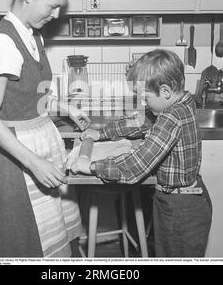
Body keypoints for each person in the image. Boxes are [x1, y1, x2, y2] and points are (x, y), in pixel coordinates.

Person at [0, 0, 90, 258]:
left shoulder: (33, 35)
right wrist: (35, 164)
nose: (55, 15)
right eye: (52, 6)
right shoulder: (2, 42)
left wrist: (66, 108)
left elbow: (33, 97)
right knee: (27, 244)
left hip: (42, 145)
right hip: (19, 160)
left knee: (56, 241)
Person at [71, 49, 213, 257]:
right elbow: (138, 123)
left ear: (165, 91)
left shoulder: (171, 118)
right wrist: (100, 133)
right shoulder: (182, 102)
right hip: (187, 201)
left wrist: (90, 165)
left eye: (145, 98)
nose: (144, 104)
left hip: (180, 211)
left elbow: (134, 167)